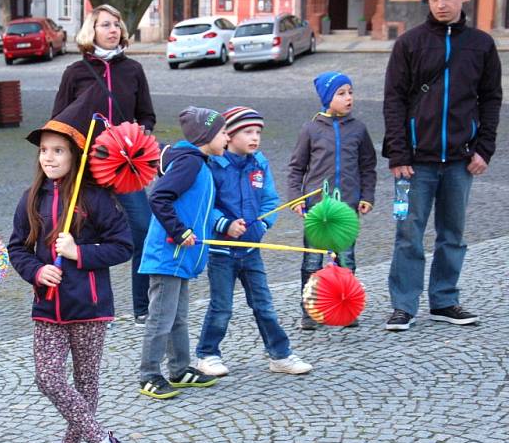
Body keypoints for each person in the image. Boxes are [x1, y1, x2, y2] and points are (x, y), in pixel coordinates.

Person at [7, 96, 134, 443]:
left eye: (58, 150)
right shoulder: (31, 199)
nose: (49, 157)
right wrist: (37, 270)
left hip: (90, 307)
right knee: (48, 377)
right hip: (47, 307)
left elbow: (123, 245)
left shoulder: (96, 198)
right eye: (44, 150)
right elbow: (17, 248)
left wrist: (78, 252)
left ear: (75, 154)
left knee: (85, 382)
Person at [382, 0, 502, 331]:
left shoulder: (481, 44)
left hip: (461, 161)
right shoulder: (410, 43)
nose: (440, 4)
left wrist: (485, 148)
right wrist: (399, 153)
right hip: (416, 163)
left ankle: (445, 300)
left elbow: (491, 99)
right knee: (408, 235)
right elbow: (394, 101)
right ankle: (404, 305)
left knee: (453, 234)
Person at [53, 3, 156, 325]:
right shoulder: (76, 72)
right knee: (81, 235)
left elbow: (147, 116)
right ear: (92, 30)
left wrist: (139, 136)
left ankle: (143, 307)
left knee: (144, 230)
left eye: (116, 25)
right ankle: (85, 305)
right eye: (105, 25)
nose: (112, 30)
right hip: (88, 170)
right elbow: (59, 122)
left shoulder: (133, 70)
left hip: (126, 169)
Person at [197, 107, 313, 377]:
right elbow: (204, 203)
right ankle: (207, 354)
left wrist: (262, 224)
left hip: (251, 250)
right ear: (229, 135)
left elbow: (270, 200)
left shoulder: (259, 162)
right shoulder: (214, 163)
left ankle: (280, 355)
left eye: (258, 132)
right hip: (221, 251)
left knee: (264, 304)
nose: (255, 137)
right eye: (248, 132)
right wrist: (224, 224)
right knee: (221, 306)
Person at [137, 107, 228, 400]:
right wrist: (180, 231)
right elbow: (160, 198)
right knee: (161, 318)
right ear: (207, 136)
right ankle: (149, 374)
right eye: (224, 132)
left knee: (178, 317)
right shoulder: (190, 164)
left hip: (181, 257)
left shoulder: (202, 164)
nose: (228, 137)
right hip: (168, 255)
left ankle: (179, 369)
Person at [288, 71, 377, 330]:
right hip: (317, 209)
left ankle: (344, 307)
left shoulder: (359, 129)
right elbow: (296, 168)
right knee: (313, 260)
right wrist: (296, 198)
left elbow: (368, 166)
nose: (348, 98)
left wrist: (367, 196)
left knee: (346, 259)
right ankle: (311, 308)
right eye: (341, 93)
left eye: (350, 92)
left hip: (347, 208)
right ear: (327, 98)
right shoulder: (311, 129)